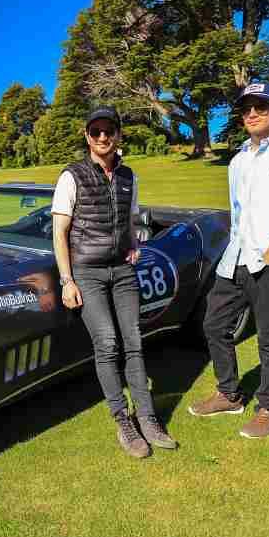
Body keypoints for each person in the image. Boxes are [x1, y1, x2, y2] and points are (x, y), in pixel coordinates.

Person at [188, 82, 269, 438]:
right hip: (236, 259)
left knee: (268, 338)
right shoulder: (238, 160)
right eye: (247, 108)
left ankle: (268, 408)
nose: (253, 113)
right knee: (214, 324)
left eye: (262, 106)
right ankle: (229, 394)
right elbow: (239, 212)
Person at [52, 105, 177, 459]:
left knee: (134, 341)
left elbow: (132, 216)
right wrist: (67, 280)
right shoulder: (71, 176)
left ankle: (149, 418)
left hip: (123, 271)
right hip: (87, 274)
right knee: (107, 343)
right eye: (96, 132)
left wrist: (134, 242)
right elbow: (60, 232)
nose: (103, 137)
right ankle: (123, 420)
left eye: (109, 131)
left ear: (118, 134)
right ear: (87, 136)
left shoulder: (129, 176)